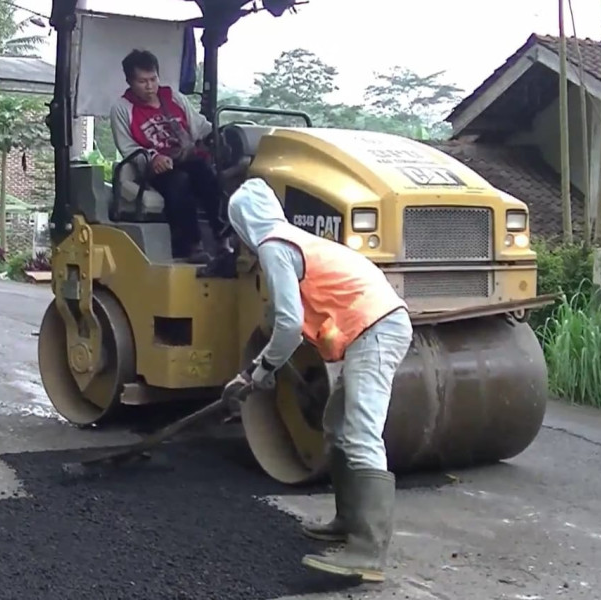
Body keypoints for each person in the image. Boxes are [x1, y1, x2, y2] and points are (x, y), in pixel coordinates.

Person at [223, 178, 413, 583]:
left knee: (361, 434)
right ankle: (348, 520)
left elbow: (289, 327)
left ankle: (368, 549)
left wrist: (259, 372)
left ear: (243, 223)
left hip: (377, 328)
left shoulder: (274, 246)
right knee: (337, 426)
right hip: (374, 326)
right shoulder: (291, 241)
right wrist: (254, 373)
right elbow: (282, 319)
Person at [110, 49, 229, 264]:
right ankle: (189, 245)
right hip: (153, 168)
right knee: (179, 182)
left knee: (205, 173)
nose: (150, 86)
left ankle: (223, 238)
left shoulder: (173, 97)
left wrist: (218, 135)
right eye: (142, 81)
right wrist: (153, 158)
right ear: (129, 81)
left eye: (153, 79)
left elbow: (199, 126)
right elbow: (127, 147)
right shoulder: (122, 108)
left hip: (185, 158)